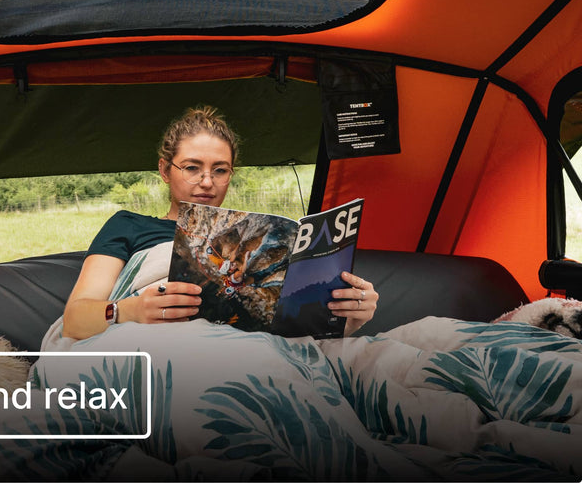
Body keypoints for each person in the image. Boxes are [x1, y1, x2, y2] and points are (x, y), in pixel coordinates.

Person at [61, 105, 379, 340]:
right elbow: (74, 319)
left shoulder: (251, 235)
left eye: (220, 170)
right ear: (164, 170)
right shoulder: (129, 225)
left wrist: (348, 315)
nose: (207, 182)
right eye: (191, 168)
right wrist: (129, 311)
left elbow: (289, 327)